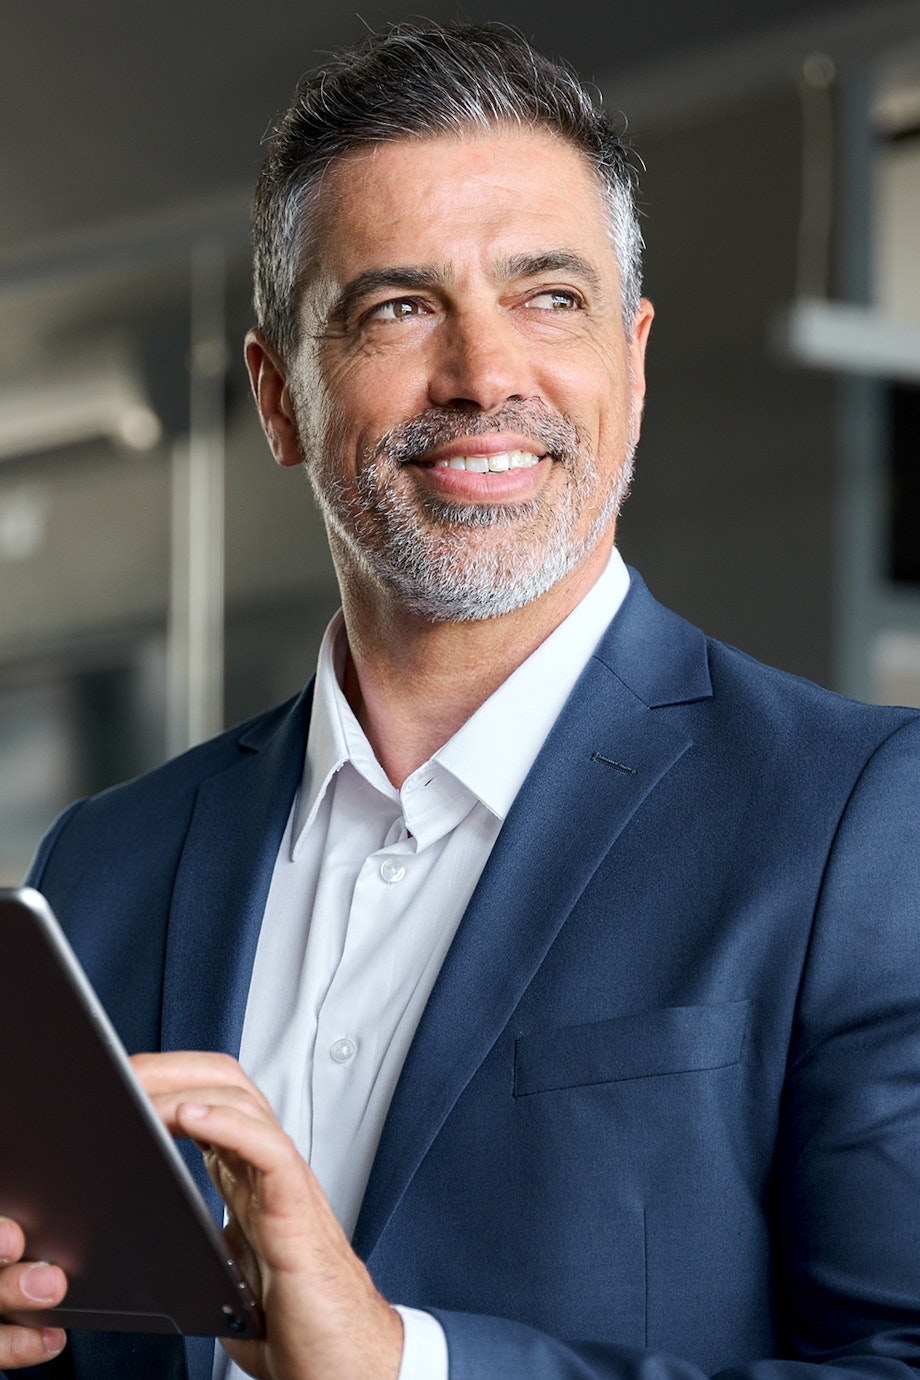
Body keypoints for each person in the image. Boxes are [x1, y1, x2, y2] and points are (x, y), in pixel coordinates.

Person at [3, 19, 920, 1380]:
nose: (485, 375)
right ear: (277, 396)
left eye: (549, 298)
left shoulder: (863, 817)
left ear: (635, 357)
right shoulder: (108, 864)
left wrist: (407, 1366)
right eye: (397, 307)